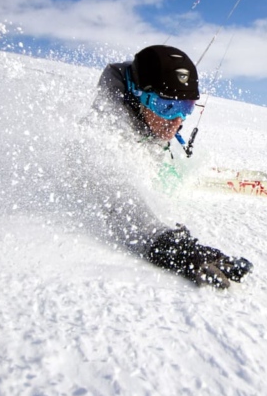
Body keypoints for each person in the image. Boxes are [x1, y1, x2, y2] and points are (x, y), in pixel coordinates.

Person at [91, 44, 252, 289]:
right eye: (166, 107)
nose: (176, 122)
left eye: (185, 108)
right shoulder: (104, 135)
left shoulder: (154, 117)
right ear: (137, 94)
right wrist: (170, 247)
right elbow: (118, 199)